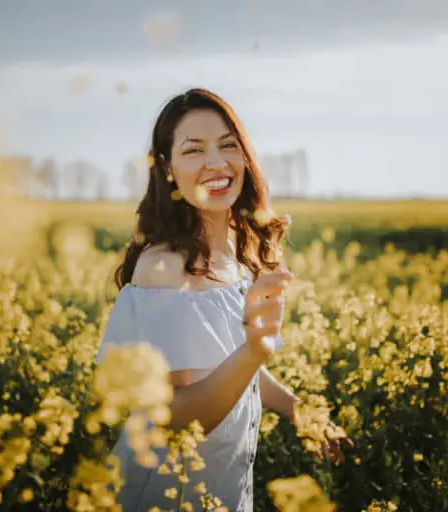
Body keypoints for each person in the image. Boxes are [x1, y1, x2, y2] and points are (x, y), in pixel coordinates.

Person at [96, 88, 353, 511]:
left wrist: (301, 412)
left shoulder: (238, 251)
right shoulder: (164, 268)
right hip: (167, 494)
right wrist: (254, 352)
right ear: (167, 167)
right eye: (194, 150)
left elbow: (226, 368)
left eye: (228, 145)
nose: (216, 163)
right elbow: (176, 418)